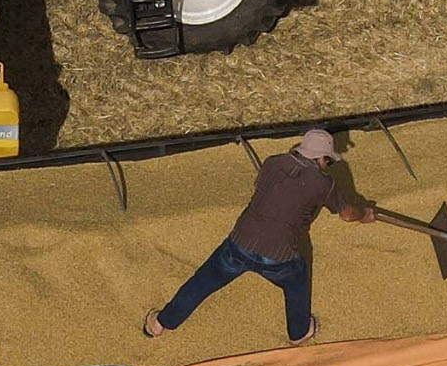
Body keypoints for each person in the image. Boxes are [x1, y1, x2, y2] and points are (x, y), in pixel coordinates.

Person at [146, 128, 375, 345]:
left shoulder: (272, 162)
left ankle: (160, 323)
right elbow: (347, 214)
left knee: (203, 281)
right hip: (279, 257)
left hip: (240, 243)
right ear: (321, 158)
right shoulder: (324, 183)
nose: (329, 165)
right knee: (297, 280)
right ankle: (299, 332)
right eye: (329, 160)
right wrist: (364, 214)